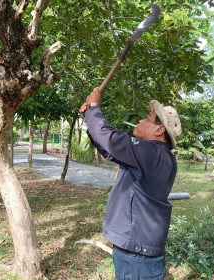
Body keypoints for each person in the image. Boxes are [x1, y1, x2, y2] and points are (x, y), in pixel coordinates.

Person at [79, 88, 182, 280]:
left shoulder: (151, 153)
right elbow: (111, 151)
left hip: (137, 255)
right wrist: (90, 119)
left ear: (159, 130)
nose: (140, 121)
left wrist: (94, 107)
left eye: (148, 119)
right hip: (138, 251)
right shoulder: (156, 155)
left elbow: (112, 140)